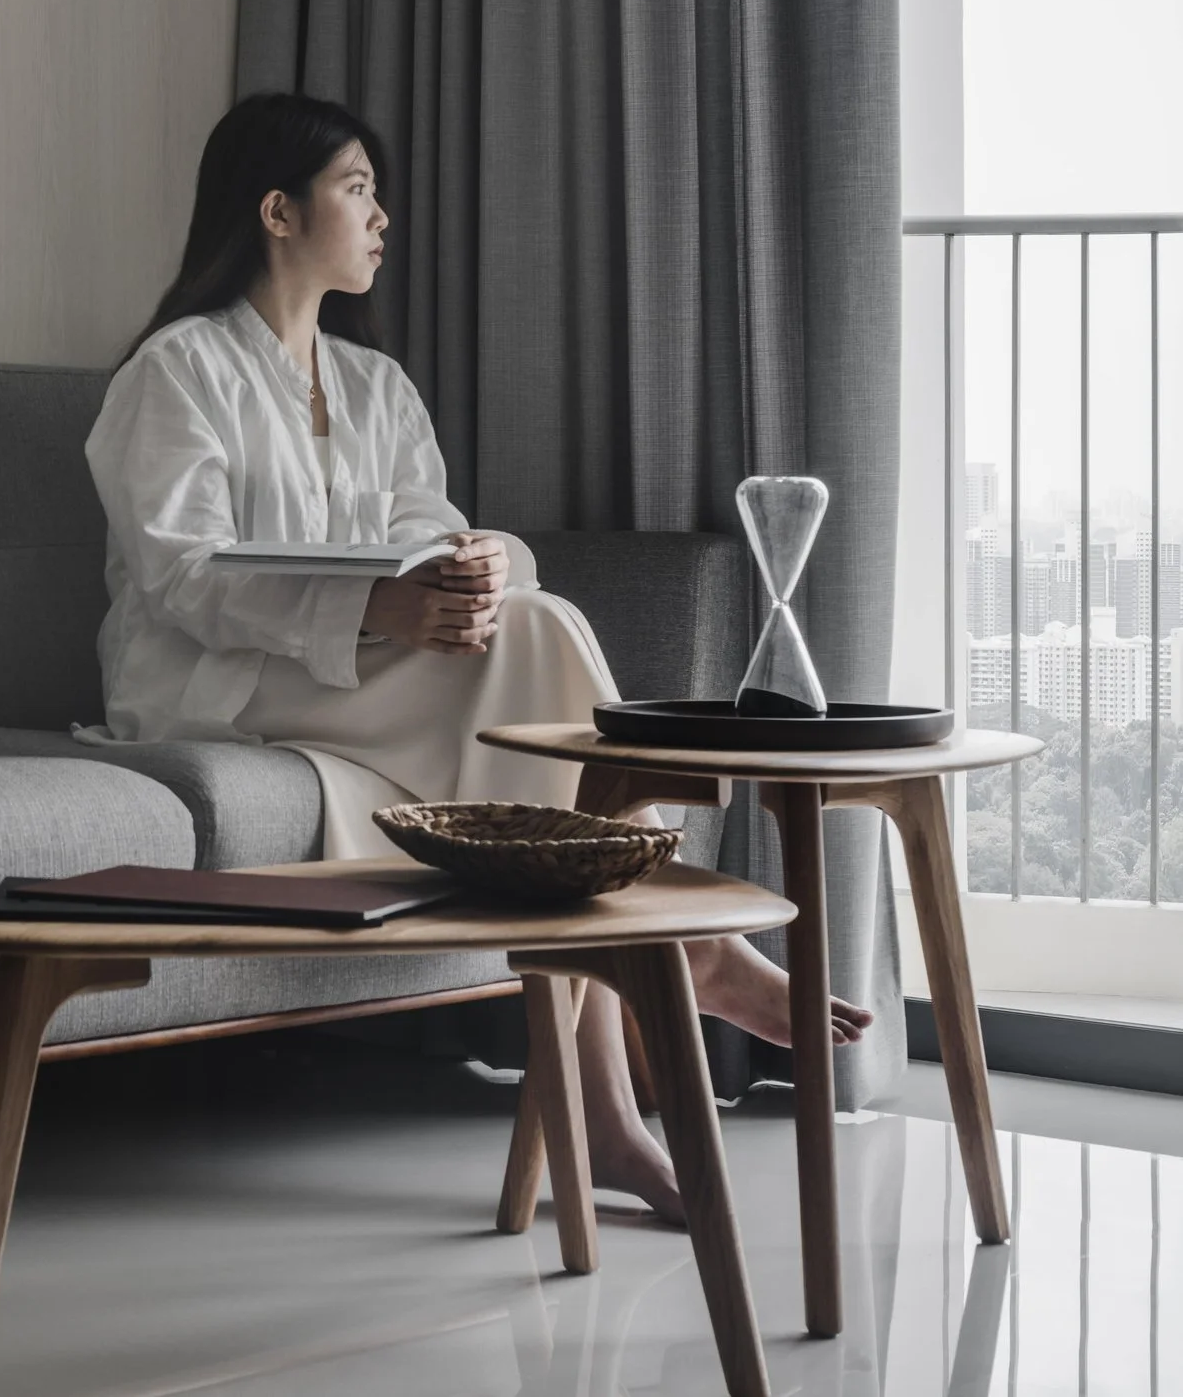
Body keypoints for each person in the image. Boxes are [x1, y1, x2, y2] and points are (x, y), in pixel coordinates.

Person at [82, 91, 870, 1219]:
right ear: (274, 211)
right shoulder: (175, 371)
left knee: (532, 626)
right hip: (219, 690)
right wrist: (379, 612)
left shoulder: (373, 383)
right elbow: (182, 575)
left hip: (356, 685)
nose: (381, 214)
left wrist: (473, 570)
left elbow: (432, 531)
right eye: (355, 188)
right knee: (541, 674)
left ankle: (610, 1086)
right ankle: (672, 953)